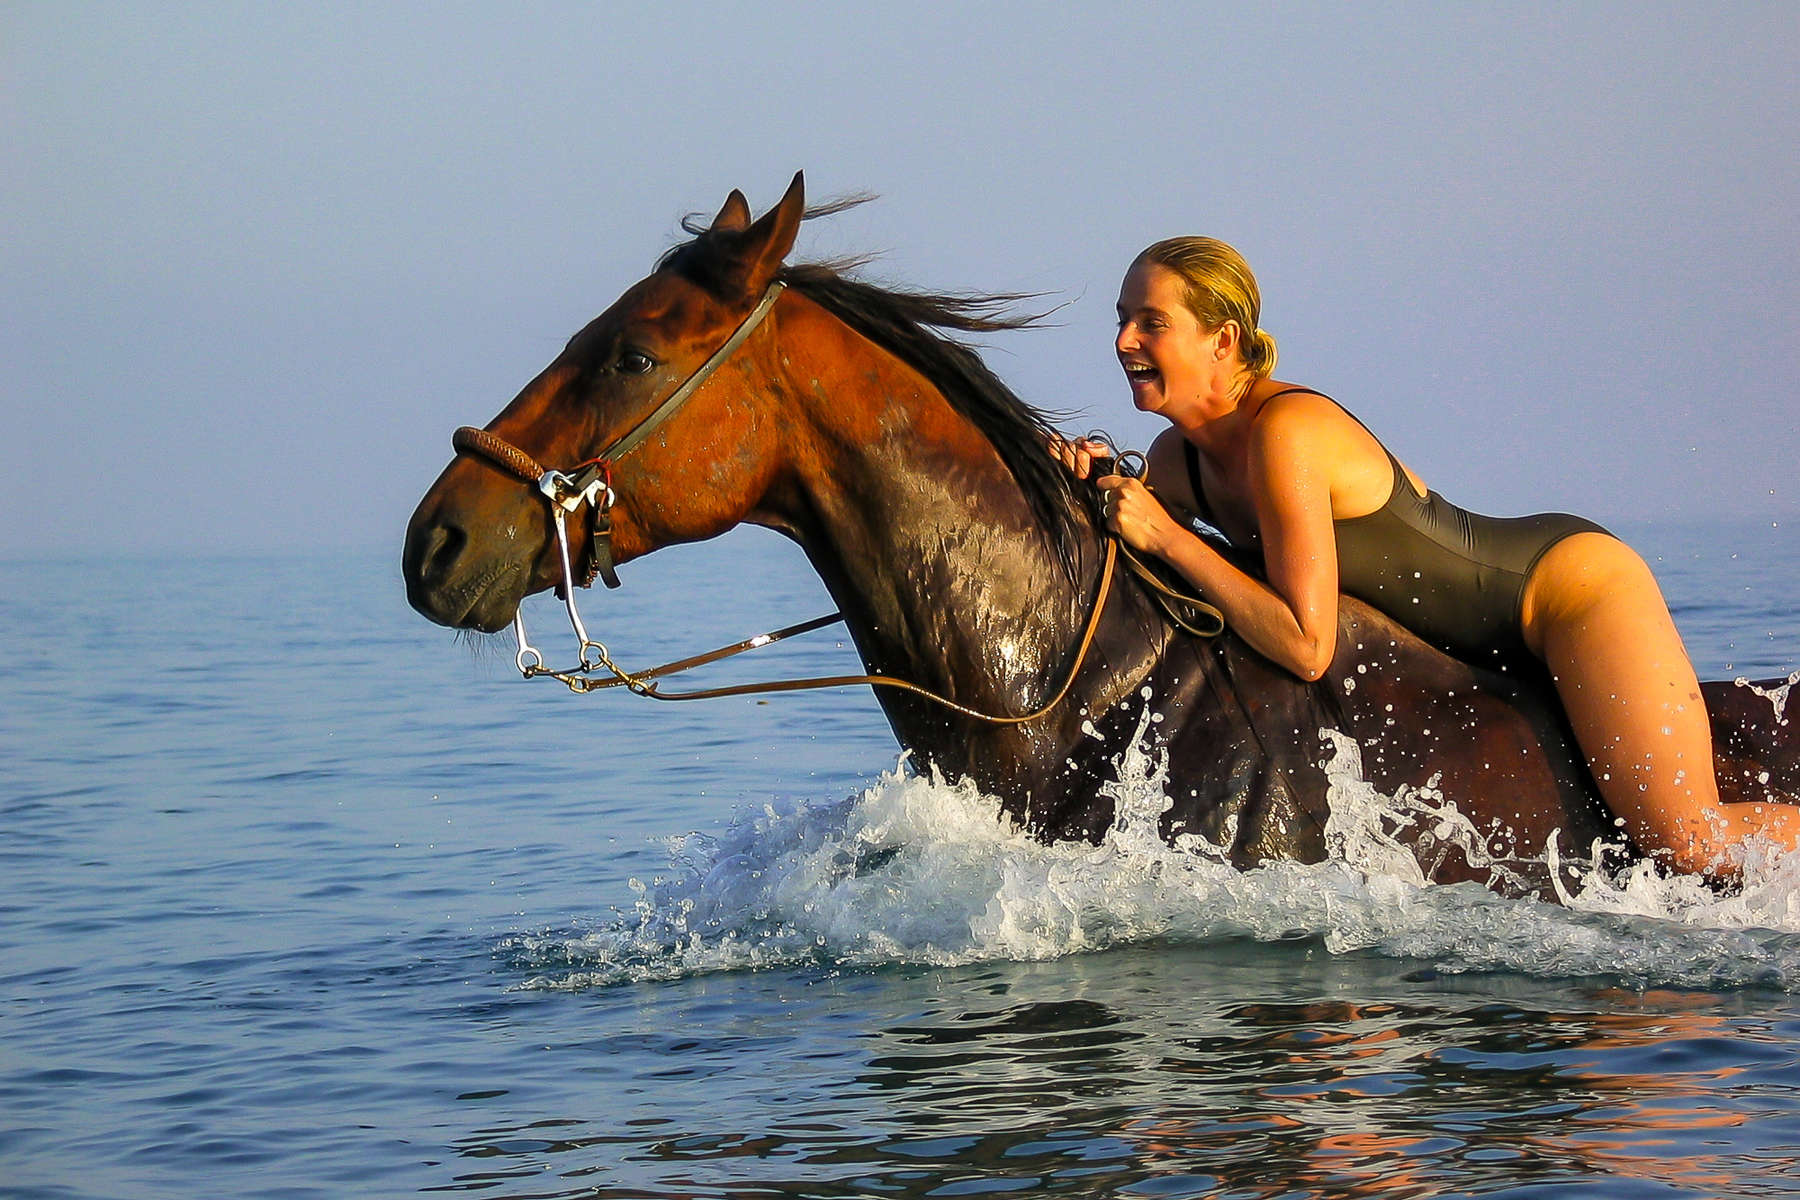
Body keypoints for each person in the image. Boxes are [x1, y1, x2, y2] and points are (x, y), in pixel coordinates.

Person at [1054, 236, 1795, 877]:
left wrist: (1167, 534)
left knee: (1688, 843)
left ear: (1223, 339)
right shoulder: (1176, 459)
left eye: (1151, 323)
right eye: (1122, 320)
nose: (1124, 341)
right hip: (1479, 647)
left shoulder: (1288, 433)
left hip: (1568, 595)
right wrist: (1090, 483)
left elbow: (1307, 646)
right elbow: (1139, 534)